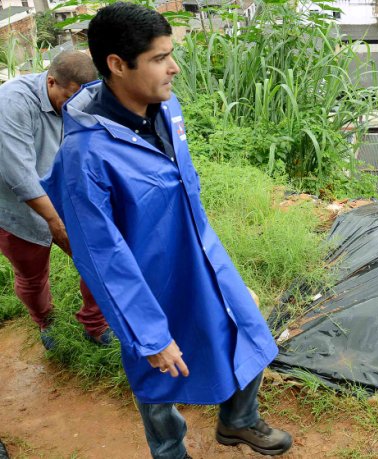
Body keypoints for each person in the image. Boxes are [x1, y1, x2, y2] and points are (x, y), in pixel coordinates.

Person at [40, 3, 293, 458]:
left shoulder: (164, 104)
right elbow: (101, 256)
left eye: (170, 54)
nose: (174, 67)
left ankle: (238, 420)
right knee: (158, 375)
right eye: (159, 58)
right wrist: (149, 334)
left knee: (247, 325)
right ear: (118, 65)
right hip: (147, 285)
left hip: (200, 255)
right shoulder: (86, 158)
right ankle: (170, 452)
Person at [0, 50, 113, 348]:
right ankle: (45, 321)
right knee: (32, 275)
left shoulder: (83, 97)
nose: (77, 107)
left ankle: (95, 323)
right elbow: (18, 173)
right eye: (69, 98)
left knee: (99, 255)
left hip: (68, 193)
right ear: (51, 82)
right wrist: (54, 221)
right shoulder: (13, 102)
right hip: (16, 207)